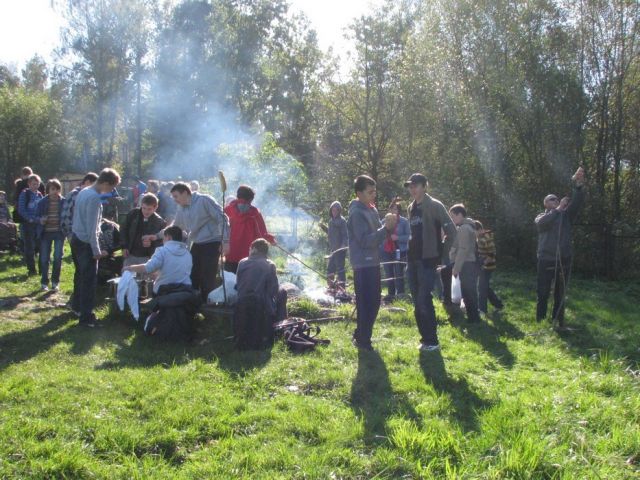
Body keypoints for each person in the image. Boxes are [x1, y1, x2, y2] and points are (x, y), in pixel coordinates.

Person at [146, 182, 229, 302]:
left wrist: (225, 241)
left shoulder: (204, 200)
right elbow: (176, 226)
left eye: (176, 196)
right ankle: (192, 303)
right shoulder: (181, 207)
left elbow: (222, 218)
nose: (175, 200)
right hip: (197, 243)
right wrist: (157, 236)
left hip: (212, 242)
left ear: (185, 193)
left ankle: (208, 305)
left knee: (208, 276)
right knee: (192, 274)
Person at [405, 173, 457, 351]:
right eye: (410, 186)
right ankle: (425, 339)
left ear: (425, 186)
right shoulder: (411, 207)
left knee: (423, 300)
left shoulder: (435, 205)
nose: (412, 189)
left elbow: (452, 232)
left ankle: (432, 340)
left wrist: (440, 253)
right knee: (416, 301)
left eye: (416, 186)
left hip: (427, 261)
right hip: (412, 261)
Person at [348, 175, 397, 351]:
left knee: (374, 301)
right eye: (370, 192)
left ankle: (361, 334)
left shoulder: (371, 209)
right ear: (359, 193)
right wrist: (386, 229)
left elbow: (376, 233)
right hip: (362, 264)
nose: (374, 195)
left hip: (373, 261)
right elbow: (365, 241)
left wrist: (387, 222)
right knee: (366, 302)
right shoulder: (356, 213)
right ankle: (363, 339)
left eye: (374, 191)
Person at [124, 226, 199, 341]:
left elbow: (148, 268)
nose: (163, 241)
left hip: (165, 292)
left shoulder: (163, 251)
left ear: (168, 237)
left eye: (163, 238)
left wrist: (130, 268)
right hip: (184, 291)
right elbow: (177, 272)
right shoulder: (187, 253)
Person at [535, 167, 586, 328]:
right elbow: (542, 224)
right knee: (543, 292)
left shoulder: (566, 216)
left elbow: (577, 203)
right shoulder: (541, 217)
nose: (555, 201)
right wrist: (557, 210)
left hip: (563, 259)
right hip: (545, 259)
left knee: (560, 293)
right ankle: (541, 321)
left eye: (557, 199)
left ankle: (558, 322)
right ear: (545, 203)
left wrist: (578, 185)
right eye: (551, 199)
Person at [70, 168, 121, 327]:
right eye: (112, 187)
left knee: (79, 276)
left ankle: (77, 307)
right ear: (105, 183)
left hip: (76, 238)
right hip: (86, 243)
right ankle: (86, 318)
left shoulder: (83, 191)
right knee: (89, 281)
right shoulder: (94, 199)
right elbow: (92, 229)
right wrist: (97, 251)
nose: (112, 191)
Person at [224, 185, 275, 274]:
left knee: (230, 283)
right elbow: (262, 234)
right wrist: (271, 240)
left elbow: (220, 230)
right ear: (251, 199)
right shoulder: (254, 213)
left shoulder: (227, 211)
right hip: (248, 257)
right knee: (247, 283)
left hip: (230, 254)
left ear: (237, 196)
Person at [235, 238, 288, 323]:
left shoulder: (242, 262)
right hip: (261, 305)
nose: (249, 251)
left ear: (254, 249)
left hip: (241, 301)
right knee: (283, 291)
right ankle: (280, 324)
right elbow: (273, 289)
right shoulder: (270, 264)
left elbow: (238, 285)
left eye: (250, 249)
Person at [449, 204, 481, 323]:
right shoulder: (469, 226)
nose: (452, 219)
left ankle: (473, 318)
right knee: (470, 291)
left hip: (466, 264)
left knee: (468, 292)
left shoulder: (464, 228)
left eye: (453, 216)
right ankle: (474, 317)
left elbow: (463, 249)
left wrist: (456, 268)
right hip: (470, 263)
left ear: (460, 214)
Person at [121, 193, 166, 274]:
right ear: (141, 205)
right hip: (130, 254)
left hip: (147, 258)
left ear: (155, 207)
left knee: (144, 283)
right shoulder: (133, 214)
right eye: (144, 208)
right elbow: (124, 230)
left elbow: (162, 242)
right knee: (126, 279)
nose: (146, 211)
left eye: (149, 209)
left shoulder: (160, 222)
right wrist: (124, 246)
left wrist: (152, 243)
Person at [36, 179, 66, 291]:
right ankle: (44, 282)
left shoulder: (63, 201)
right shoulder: (42, 202)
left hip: (59, 232)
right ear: (48, 190)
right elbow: (36, 217)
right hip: (45, 233)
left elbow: (68, 216)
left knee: (58, 258)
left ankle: (55, 282)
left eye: (57, 189)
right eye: (52, 189)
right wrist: (41, 220)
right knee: (44, 258)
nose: (55, 191)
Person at [381, 200, 410, 300]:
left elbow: (409, 237)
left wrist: (398, 238)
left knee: (399, 273)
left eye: (395, 209)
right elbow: (379, 236)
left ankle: (400, 294)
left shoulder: (404, 221)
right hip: (386, 251)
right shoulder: (383, 222)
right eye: (392, 208)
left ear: (399, 210)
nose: (393, 211)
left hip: (400, 250)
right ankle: (391, 294)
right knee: (389, 273)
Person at [475, 221, 504, 314]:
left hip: (488, 266)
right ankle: (499, 305)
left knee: (481, 288)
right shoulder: (478, 237)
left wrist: (484, 264)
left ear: (479, 229)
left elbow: (492, 254)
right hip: (482, 265)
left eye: (474, 231)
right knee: (485, 287)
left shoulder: (486, 237)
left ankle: (482, 310)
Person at [18, 174, 44, 276]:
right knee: (29, 248)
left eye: (37, 184)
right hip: (28, 225)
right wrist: (30, 219)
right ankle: (32, 270)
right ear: (29, 184)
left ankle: (42, 269)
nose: (36, 186)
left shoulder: (40, 195)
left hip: (38, 225)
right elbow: (21, 209)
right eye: (33, 184)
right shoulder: (24, 194)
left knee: (41, 247)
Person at [326, 201, 348, 288]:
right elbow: (330, 235)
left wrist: (343, 245)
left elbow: (345, 235)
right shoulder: (331, 222)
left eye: (336, 210)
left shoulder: (342, 221)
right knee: (330, 268)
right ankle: (331, 286)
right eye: (333, 210)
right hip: (333, 249)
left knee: (340, 268)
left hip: (340, 249)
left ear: (339, 211)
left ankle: (342, 287)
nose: (334, 212)